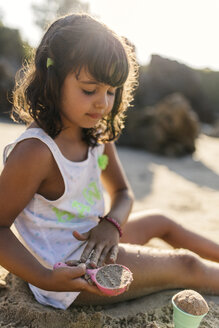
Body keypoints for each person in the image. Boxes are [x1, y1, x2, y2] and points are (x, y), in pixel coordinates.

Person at [0, 13, 219, 310]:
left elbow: (123, 194)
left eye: (111, 91)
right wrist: (45, 277)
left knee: (160, 222)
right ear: (53, 80)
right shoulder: (36, 151)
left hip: (95, 240)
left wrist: (112, 225)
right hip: (68, 275)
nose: (102, 103)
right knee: (187, 264)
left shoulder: (96, 132)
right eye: (89, 90)